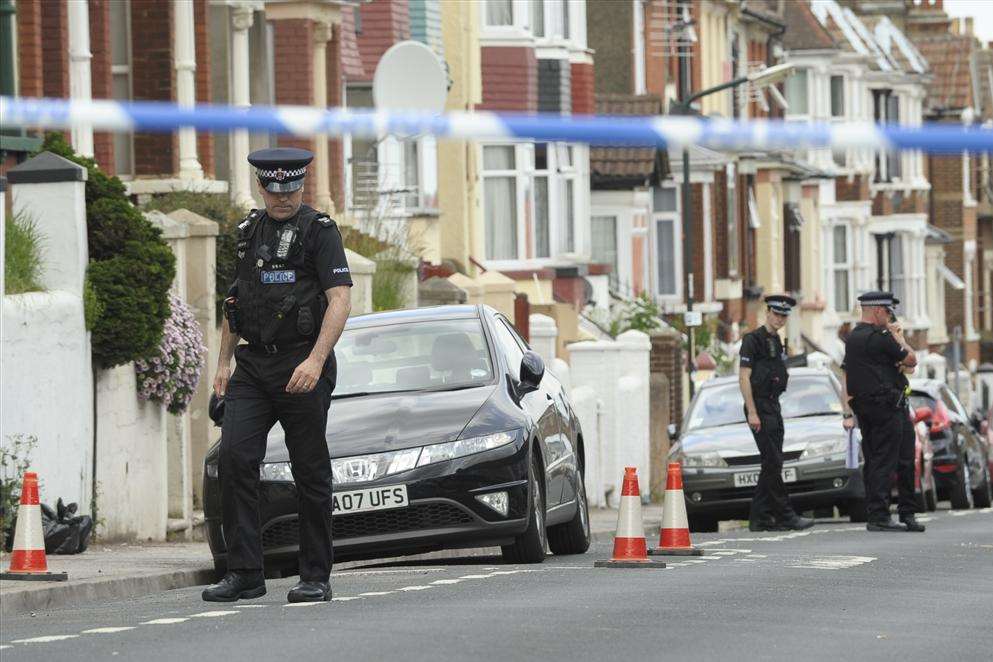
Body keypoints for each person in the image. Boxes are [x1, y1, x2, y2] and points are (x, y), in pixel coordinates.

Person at [202, 147, 353, 603]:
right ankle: (245, 572)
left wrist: (315, 359)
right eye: (274, 188)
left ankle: (315, 576)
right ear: (261, 187)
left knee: (309, 469)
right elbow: (236, 302)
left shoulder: (320, 231)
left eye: (290, 188)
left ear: (301, 186)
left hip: (302, 362)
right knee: (234, 458)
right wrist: (224, 362)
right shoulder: (249, 231)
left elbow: (340, 299)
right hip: (253, 365)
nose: (282, 197)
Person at [840, 291, 919, 532]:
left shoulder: (853, 338)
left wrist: (847, 412)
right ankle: (893, 514)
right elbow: (912, 361)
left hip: (867, 408)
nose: (890, 317)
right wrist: (900, 338)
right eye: (887, 312)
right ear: (877, 311)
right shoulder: (883, 337)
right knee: (894, 460)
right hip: (888, 407)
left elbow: (847, 375)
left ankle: (879, 512)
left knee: (876, 460)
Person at [739, 295, 814, 532]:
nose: (780, 319)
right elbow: (744, 377)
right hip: (759, 406)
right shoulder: (753, 340)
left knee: (772, 463)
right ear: (767, 312)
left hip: (773, 405)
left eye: (784, 315)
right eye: (777, 314)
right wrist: (752, 412)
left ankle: (760, 517)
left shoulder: (776, 341)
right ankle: (785, 515)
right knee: (772, 461)